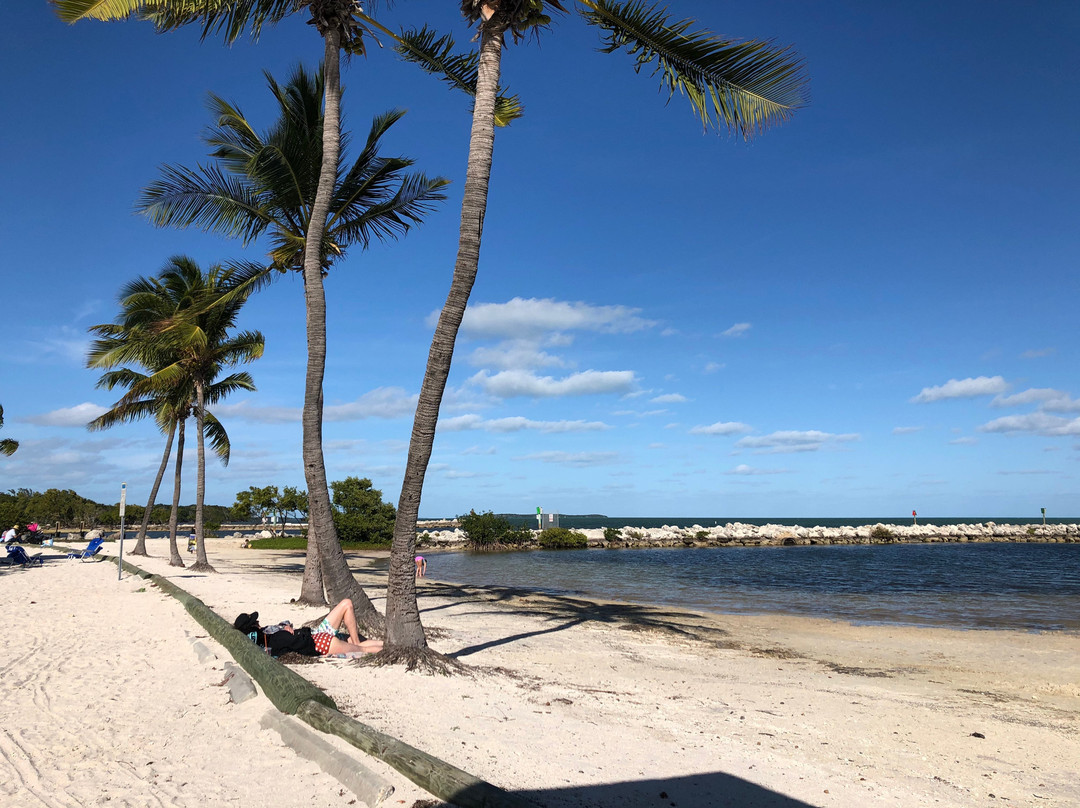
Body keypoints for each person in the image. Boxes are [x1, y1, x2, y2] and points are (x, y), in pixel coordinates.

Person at [233, 598, 382, 658]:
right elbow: (298, 645)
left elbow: (286, 624)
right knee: (363, 651)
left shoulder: (266, 634)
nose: (258, 621)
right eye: (255, 622)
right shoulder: (268, 643)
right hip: (318, 643)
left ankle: (358, 642)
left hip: (317, 635)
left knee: (346, 603)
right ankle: (385, 648)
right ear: (253, 628)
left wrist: (285, 626)